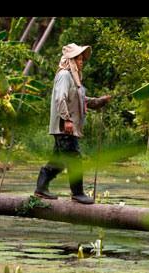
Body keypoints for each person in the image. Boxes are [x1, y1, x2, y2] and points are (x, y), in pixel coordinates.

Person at [34, 43, 111, 204]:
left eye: (82, 59)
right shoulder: (64, 76)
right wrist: (67, 120)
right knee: (74, 158)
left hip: (67, 127)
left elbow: (81, 99)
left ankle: (41, 188)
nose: (81, 62)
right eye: (78, 59)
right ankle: (78, 193)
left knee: (59, 160)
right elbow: (60, 99)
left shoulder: (74, 77)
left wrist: (100, 102)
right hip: (65, 127)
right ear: (70, 60)